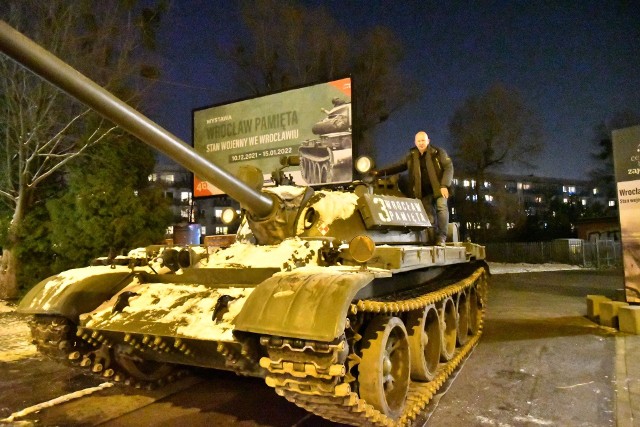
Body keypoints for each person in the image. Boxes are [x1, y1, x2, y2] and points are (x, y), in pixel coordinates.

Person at [373, 131, 454, 245]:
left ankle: (441, 237)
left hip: (439, 188)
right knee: (429, 216)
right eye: (419, 141)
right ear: (415, 142)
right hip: (423, 192)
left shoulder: (438, 153)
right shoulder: (412, 156)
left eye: (423, 140)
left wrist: (445, 185)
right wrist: (379, 172)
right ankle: (432, 238)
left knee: (442, 208)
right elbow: (398, 166)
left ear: (428, 141)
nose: (421, 143)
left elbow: (448, 167)